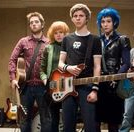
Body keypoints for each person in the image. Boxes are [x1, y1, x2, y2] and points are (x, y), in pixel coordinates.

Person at [58, 3, 102, 132]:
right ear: (72, 18)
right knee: (67, 126)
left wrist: (95, 89)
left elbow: (97, 66)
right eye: (75, 16)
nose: (78, 18)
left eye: (81, 16)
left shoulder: (95, 39)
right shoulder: (67, 39)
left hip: (87, 86)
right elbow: (60, 63)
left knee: (90, 126)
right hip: (68, 85)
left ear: (87, 18)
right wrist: (68, 67)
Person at [8, 12, 51, 132]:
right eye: (31, 22)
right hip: (26, 87)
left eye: (36, 22)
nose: (33, 24)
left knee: (46, 119)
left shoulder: (49, 42)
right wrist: (13, 78)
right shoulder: (23, 41)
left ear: (42, 24)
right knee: (24, 119)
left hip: (44, 87)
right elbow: (12, 59)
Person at [95, 7, 131, 132]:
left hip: (115, 83)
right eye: (103, 21)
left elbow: (127, 63)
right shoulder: (97, 40)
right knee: (96, 120)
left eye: (108, 21)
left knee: (113, 122)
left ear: (114, 22)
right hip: (99, 83)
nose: (105, 24)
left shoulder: (122, 39)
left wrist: (116, 77)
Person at [40, 21, 70, 132]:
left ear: (65, 33)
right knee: (54, 118)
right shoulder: (48, 48)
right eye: (56, 32)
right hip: (51, 85)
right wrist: (45, 80)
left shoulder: (70, 47)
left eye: (61, 32)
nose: (58, 35)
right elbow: (42, 69)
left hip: (67, 85)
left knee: (68, 117)